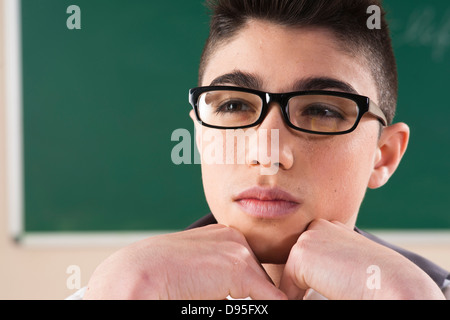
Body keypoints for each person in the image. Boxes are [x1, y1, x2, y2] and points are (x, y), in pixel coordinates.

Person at [76, 0, 450, 299]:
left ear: (383, 155)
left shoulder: (428, 294)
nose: (269, 153)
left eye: (321, 110)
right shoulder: (121, 290)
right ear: (200, 136)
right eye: (234, 106)